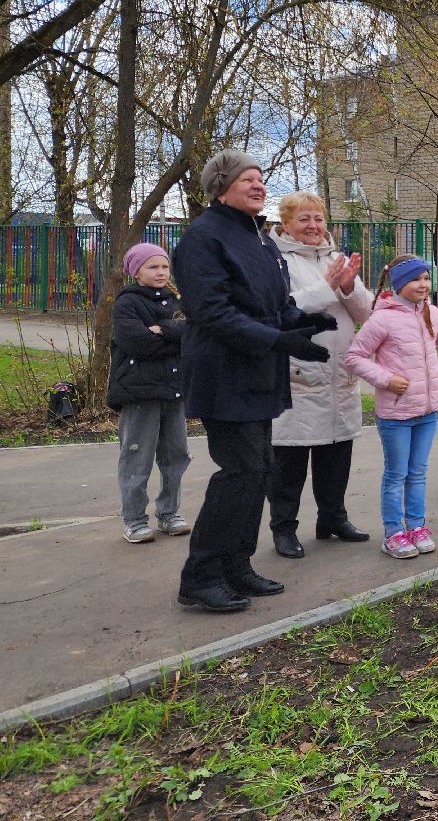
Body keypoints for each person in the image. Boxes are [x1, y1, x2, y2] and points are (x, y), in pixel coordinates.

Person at [174, 150, 335, 613]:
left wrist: (304, 325)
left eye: (261, 178)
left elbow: (276, 304)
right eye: (248, 178)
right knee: (240, 471)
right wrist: (281, 341)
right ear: (221, 185)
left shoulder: (261, 239)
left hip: (259, 371)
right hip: (223, 373)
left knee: (258, 470)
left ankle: (236, 565)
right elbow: (214, 314)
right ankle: (201, 576)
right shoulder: (203, 238)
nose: (259, 185)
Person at [266, 191, 372, 559]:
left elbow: (365, 313)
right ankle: (283, 528)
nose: (313, 226)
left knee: (337, 450)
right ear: (285, 224)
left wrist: (347, 285)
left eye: (318, 219)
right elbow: (283, 309)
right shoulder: (273, 259)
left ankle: (332, 518)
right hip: (298, 371)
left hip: (339, 370)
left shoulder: (336, 257)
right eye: (304, 219)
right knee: (289, 459)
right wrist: (327, 286)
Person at [346, 255, 438, 559]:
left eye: (426, 278)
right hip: (396, 415)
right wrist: (385, 379)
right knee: (397, 474)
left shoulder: (433, 314)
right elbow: (355, 357)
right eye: (416, 279)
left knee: (418, 472)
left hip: (427, 412)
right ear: (399, 284)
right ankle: (394, 533)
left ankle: (417, 527)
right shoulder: (382, 319)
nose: (423, 285)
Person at [106, 242, 190, 544]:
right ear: (136, 270)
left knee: (176, 456)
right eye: (153, 266)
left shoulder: (177, 300)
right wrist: (172, 334)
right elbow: (137, 343)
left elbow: (192, 333)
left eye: (165, 266)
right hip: (139, 393)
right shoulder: (127, 303)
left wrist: (161, 329)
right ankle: (134, 519)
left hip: (173, 390)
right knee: (136, 457)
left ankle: (169, 514)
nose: (161, 272)